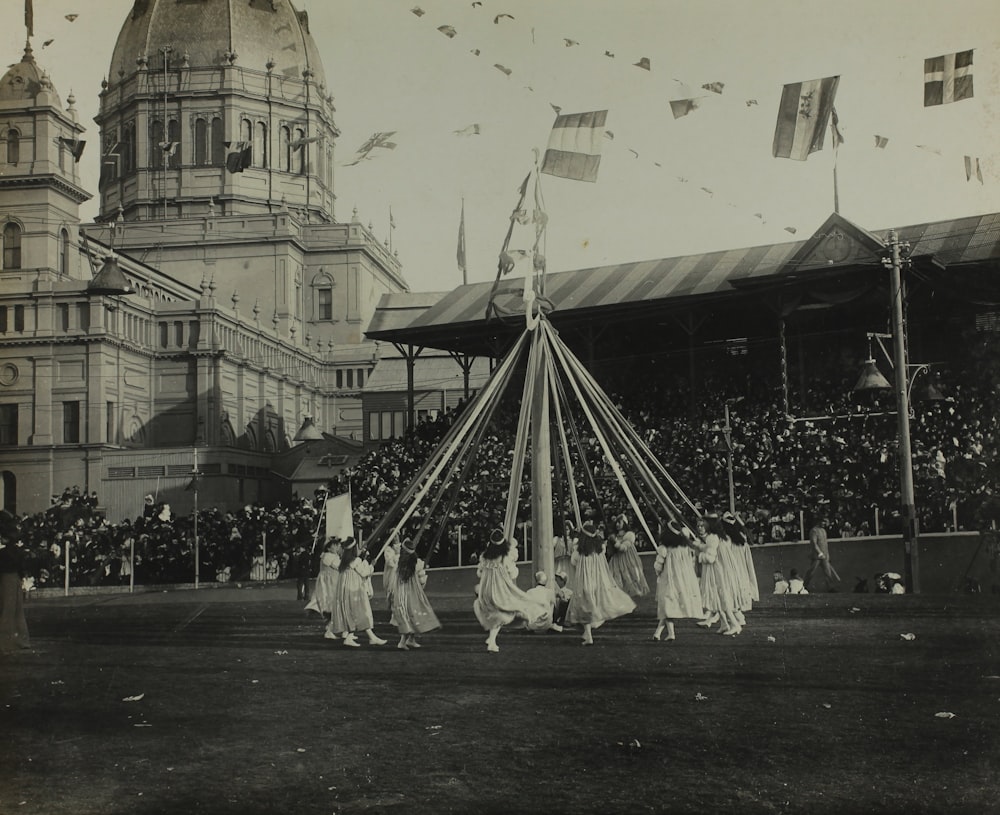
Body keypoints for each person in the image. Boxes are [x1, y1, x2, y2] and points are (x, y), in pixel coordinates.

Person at [473, 529, 549, 653]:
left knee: (499, 614)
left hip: (486, 591)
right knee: (507, 611)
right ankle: (491, 641)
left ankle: (491, 639)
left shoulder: (484, 557)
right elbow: (513, 574)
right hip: (499, 591)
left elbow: (479, 573)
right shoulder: (505, 558)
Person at [566, 520, 636, 645]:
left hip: (584, 581)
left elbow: (573, 562)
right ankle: (588, 632)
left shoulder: (579, 551)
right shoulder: (600, 549)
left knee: (584, 605)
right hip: (598, 581)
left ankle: (588, 634)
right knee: (595, 603)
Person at [689, 515, 741, 636]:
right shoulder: (714, 537)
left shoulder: (712, 538)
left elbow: (710, 558)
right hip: (716, 571)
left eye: (703, 525)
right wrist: (698, 546)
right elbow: (708, 548)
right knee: (716, 597)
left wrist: (698, 554)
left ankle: (735, 624)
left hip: (717, 571)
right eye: (698, 526)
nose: (700, 528)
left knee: (721, 597)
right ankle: (724, 624)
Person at [651, 518, 703, 641]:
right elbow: (691, 562)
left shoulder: (664, 548)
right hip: (684, 578)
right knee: (669, 605)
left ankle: (670, 633)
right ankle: (659, 633)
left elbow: (658, 564)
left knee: (667, 604)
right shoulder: (685, 547)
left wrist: (658, 573)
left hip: (669, 578)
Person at [330, 538, 387, 647]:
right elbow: (364, 573)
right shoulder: (355, 561)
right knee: (360, 610)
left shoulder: (344, 561)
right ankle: (368, 637)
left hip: (345, 590)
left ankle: (360, 637)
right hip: (354, 590)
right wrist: (371, 565)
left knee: (353, 612)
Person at [390, 538, 441, 650]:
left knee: (409, 615)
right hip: (412, 593)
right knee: (413, 614)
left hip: (401, 593)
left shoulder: (397, 562)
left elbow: (393, 580)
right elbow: (422, 580)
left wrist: (392, 593)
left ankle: (411, 640)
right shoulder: (417, 563)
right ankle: (402, 642)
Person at [607, 513, 649, 599]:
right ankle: (620, 598)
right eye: (616, 523)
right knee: (616, 578)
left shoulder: (629, 535)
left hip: (628, 559)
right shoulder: (615, 535)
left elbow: (623, 548)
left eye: (619, 522)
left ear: (625, 523)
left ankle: (628, 597)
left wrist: (614, 541)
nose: (617, 525)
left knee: (628, 576)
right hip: (616, 560)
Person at [0, 535, 30, 654]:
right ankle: (21, 640)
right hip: (15, 579)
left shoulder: (2, 553)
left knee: (6, 609)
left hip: (5, 580)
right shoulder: (19, 552)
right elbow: (22, 568)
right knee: (17, 610)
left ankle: (5, 642)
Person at [305, 538, 342, 629]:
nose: (337, 547)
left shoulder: (334, 556)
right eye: (334, 546)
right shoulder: (328, 556)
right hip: (328, 582)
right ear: (328, 548)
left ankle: (330, 623)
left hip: (332, 580)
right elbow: (338, 566)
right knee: (329, 600)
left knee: (331, 601)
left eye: (338, 546)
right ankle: (329, 623)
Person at [804, 516, 841, 592]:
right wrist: (820, 553)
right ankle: (804, 587)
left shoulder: (824, 531)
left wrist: (827, 555)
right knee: (811, 572)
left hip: (824, 556)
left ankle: (831, 588)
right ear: (819, 521)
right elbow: (814, 543)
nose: (825, 524)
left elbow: (825, 544)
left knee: (828, 572)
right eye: (824, 521)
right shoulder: (814, 531)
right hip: (816, 556)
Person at [382, 535, 402, 612]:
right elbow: (390, 563)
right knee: (392, 590)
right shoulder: (388, 549)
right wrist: (397, 554)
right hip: (391, 574)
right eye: (394, 535)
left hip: (400, 572)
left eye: (397, 535)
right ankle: (391, 609)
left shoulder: (402, 546)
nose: (396, 537)